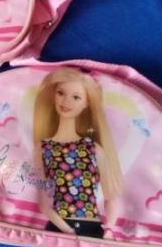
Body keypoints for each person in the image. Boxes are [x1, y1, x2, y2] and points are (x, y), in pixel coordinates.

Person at [32, 68, 122, 238]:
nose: (66, 101)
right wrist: (68, 231)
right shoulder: (43, 148)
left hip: (93, 229)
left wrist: (109, 229)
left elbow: (111, 198)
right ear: (53, 95)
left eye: (76, 97)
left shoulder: (94, 149)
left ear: (87, 103)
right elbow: (44, 204)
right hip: (59, 228)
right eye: (61, 93)